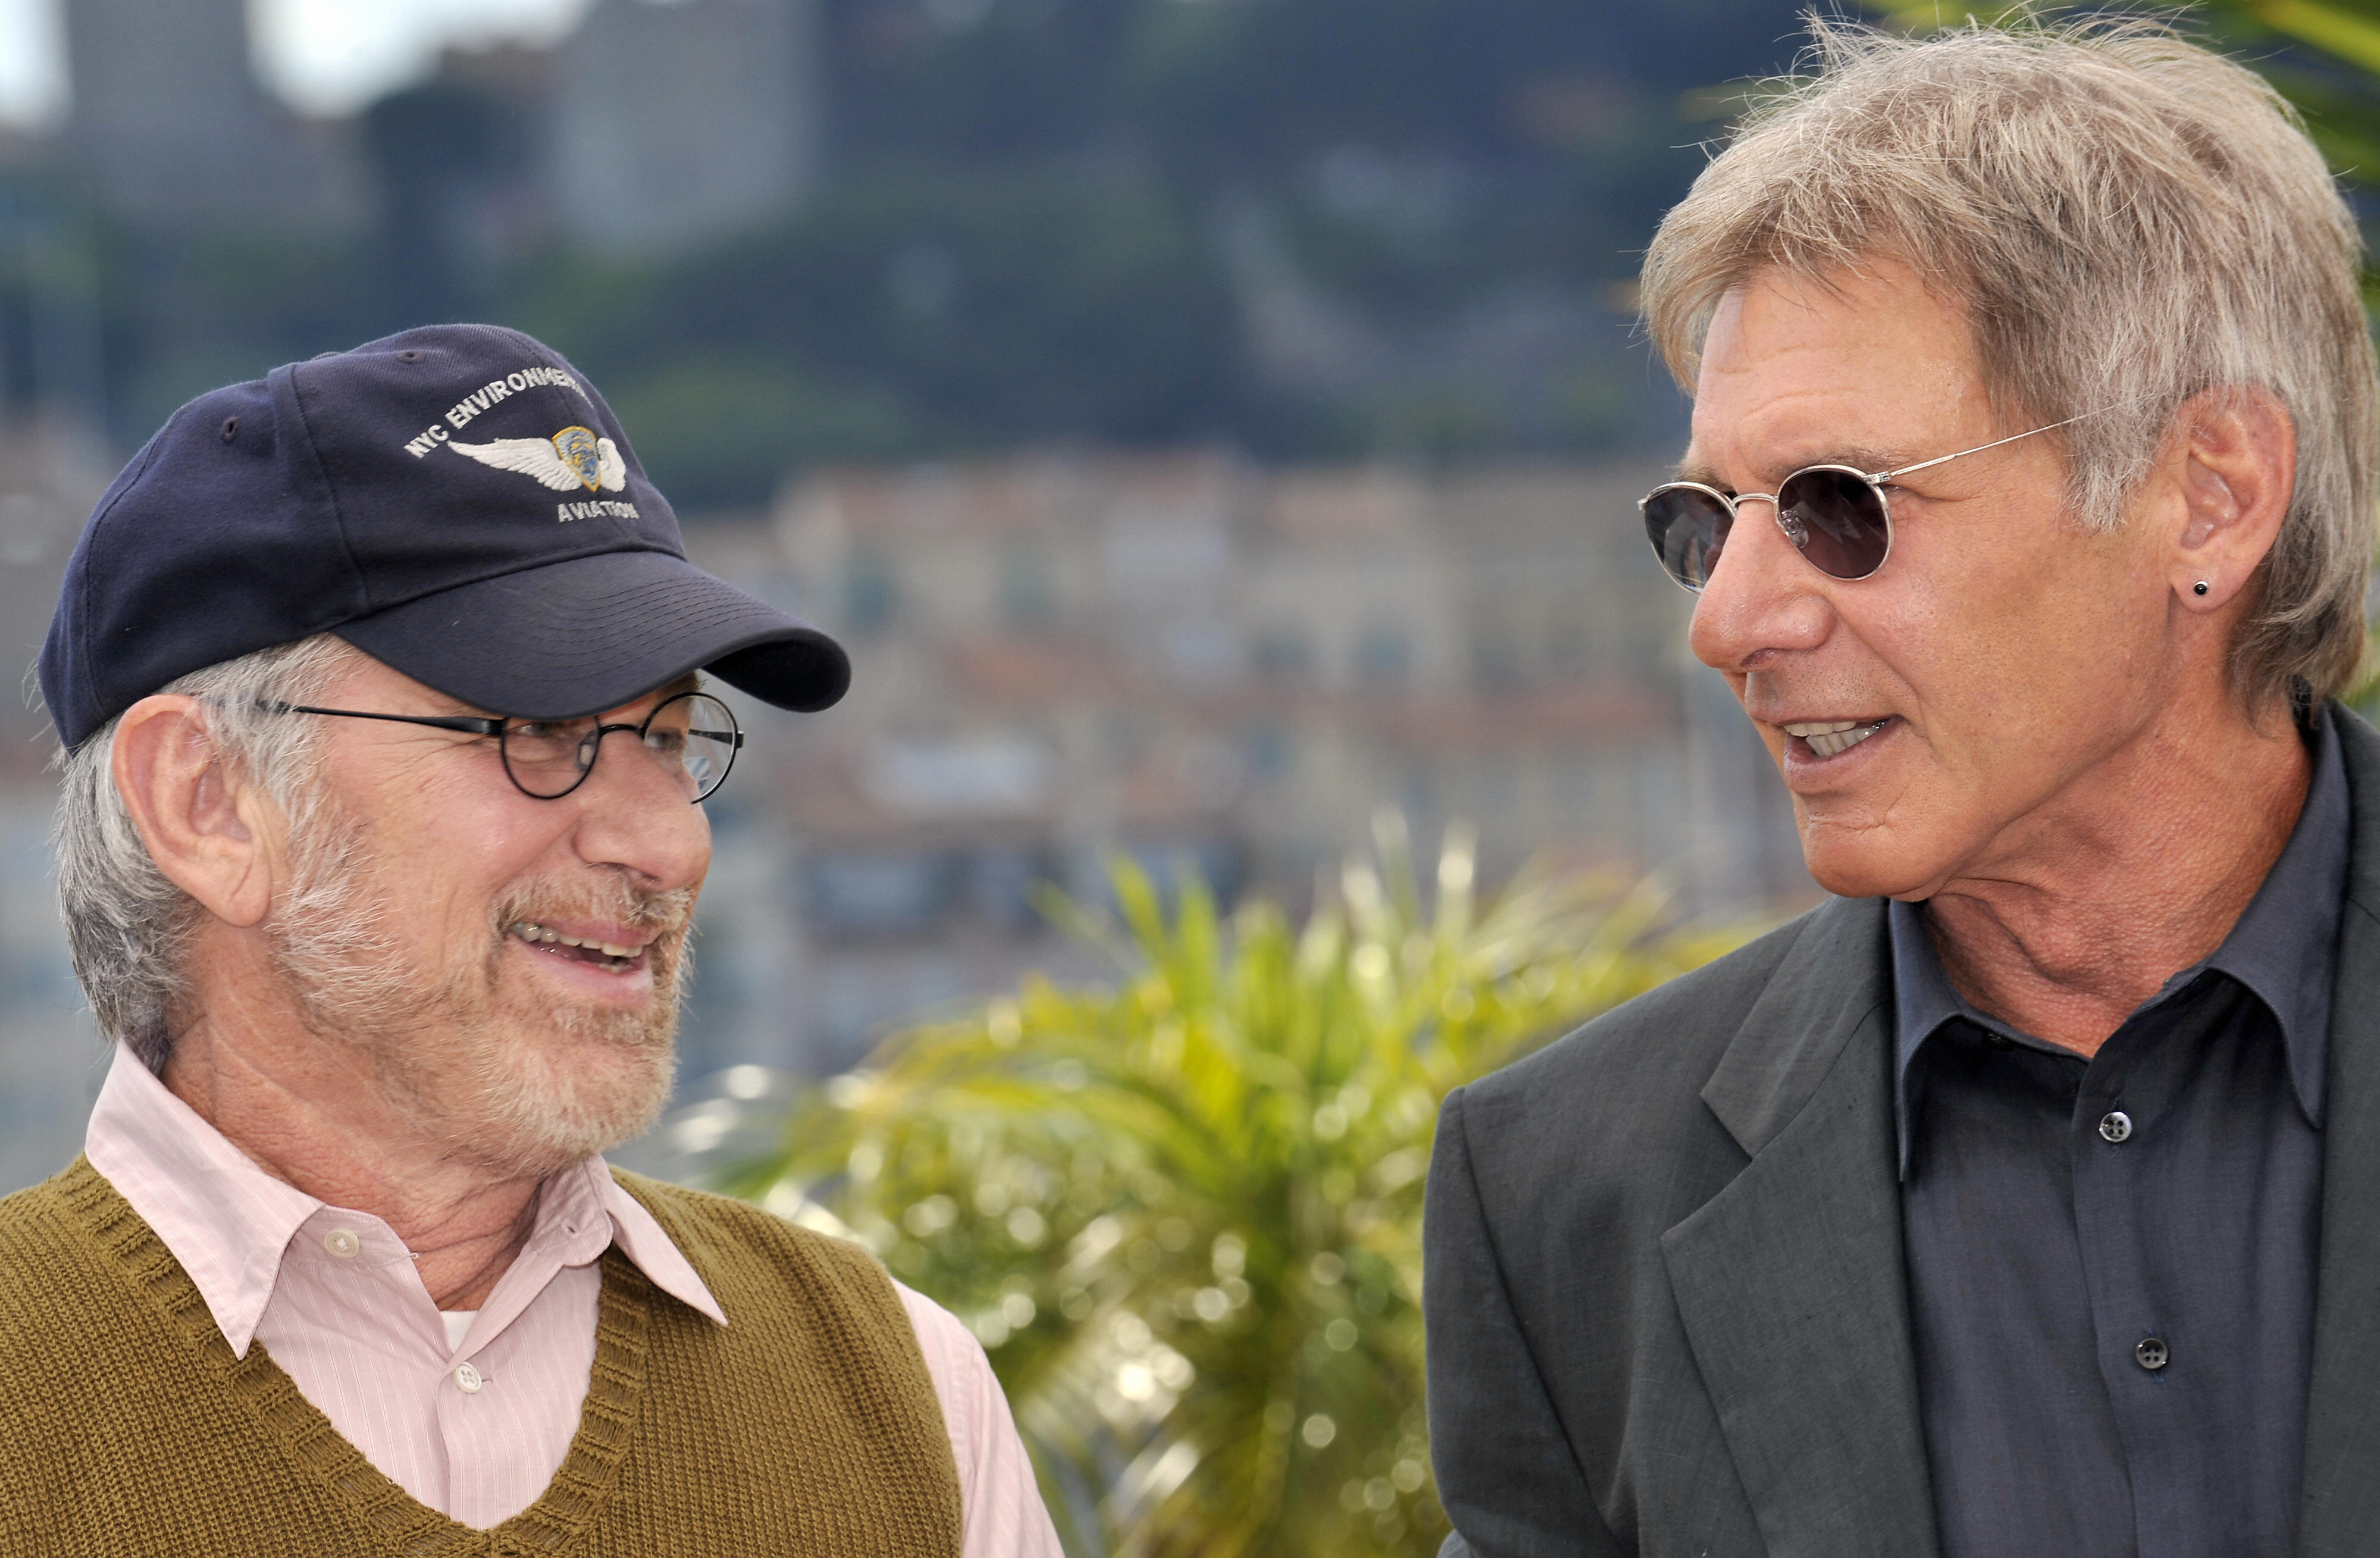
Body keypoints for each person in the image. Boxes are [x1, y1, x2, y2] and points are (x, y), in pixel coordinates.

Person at [1423, 19, 2380, 1558]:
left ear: (2210, 492)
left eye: (1837, 508)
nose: (1729, 621)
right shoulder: (1568, 1191)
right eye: (1706, 519)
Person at [5, 323, 1064, 1555]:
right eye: (533, 729)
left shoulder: (903, 1398)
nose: (668, 844)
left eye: (668, 738)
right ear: (208, 804)